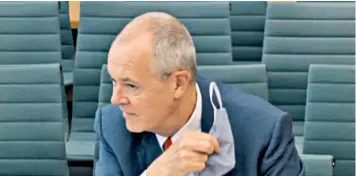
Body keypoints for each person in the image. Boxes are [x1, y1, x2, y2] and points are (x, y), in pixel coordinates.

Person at [94, 12, 305, 176]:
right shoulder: (113, 126)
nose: (115, 99)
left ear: (178, 83)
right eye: (114, 81)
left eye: (131, 86)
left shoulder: (264, 131)